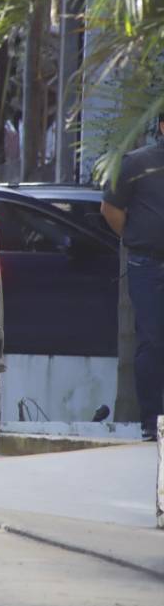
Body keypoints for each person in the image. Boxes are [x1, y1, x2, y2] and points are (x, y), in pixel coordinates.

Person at [101, 112, 164, 442]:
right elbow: (110, 209)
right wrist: (137, 237)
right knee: (153, 341)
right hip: (148, 265)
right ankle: (152, 422)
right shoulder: (137, 163)